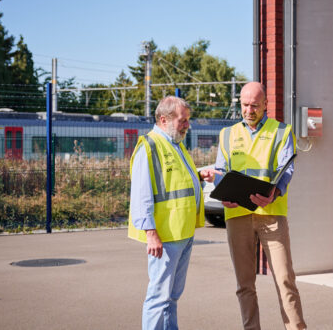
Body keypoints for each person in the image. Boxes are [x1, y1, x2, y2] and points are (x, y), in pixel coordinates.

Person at [201, 82, 307, 330]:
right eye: (245, 105)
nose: (249, 110)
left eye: (255, 106)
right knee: (244, 284)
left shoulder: (282, 131)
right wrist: (216, 181)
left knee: (284, 280)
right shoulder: (227, 134)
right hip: (236, 214)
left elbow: (287, 169)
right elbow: (222, 170)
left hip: (271, 214)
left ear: (266, 104)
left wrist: (275, 191)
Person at [129, 96, 213, 330]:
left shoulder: (176, 144)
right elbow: (141, 194)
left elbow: (174, 181)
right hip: (164, 236)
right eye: (182, 120)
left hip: (182, 232)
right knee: (158, 297)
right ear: (164, 119)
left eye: (188, 120)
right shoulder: (150, 147)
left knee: (171, 297)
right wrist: (150, 232)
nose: (187, 125)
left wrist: (198, 177)